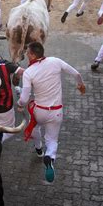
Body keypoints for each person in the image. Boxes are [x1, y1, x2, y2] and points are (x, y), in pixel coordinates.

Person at [17, 42, 85, 183]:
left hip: (39, 111)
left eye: (28, 53)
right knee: (52, 140)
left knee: (35, 126)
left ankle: (38, 149)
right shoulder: (56, 61)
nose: (26, 55)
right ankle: (50, 157)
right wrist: (80, 84)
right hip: (56, 112)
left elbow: (24, 98)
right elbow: (76, 74)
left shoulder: (28, 72)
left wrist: (20, 105)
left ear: (33, 55)